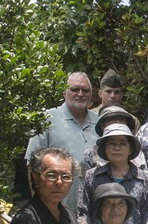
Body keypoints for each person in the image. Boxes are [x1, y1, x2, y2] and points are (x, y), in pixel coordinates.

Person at [25, 72, 100, 211]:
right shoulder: (47, 120)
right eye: (74, 89)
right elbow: (32, 165)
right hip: (56, 208)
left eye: (85, 90)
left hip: (94, 209)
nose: (80, 94)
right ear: (64, 93)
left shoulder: (99, 123)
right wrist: (39, 208)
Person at [77, 123, 148, 224]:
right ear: (104, 149)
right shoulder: (92, 176)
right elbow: (84, 212)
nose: (117, 148)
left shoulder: (143, 179)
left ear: (130, 149)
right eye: (112, 144)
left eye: (122, 144)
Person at [80, 105, 147, 173]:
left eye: (121, 119)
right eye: (112, 119)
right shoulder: (91, 153)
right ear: (102, 125)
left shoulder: (136, 151)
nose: (117, 122)